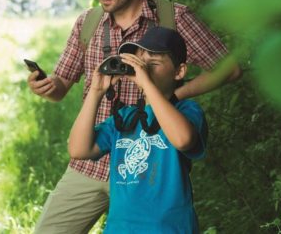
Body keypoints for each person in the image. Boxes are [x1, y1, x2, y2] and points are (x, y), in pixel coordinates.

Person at [29, 0, 241, 233]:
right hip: (94, 159)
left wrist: (174, 94)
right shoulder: (88, 23)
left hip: (151, 169)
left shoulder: (173, 18)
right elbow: (62, 84)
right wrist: (48, 86)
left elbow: (228, 69)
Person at [68, 27, 207, 233]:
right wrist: (95, 92)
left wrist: (147, 84)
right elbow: (78, 150)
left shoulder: (187, 110)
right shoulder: (126, 116)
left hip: (168, 228)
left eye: (154, 64)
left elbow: (183, 140)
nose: (144, 69)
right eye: (140, 63)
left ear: (179, 72)